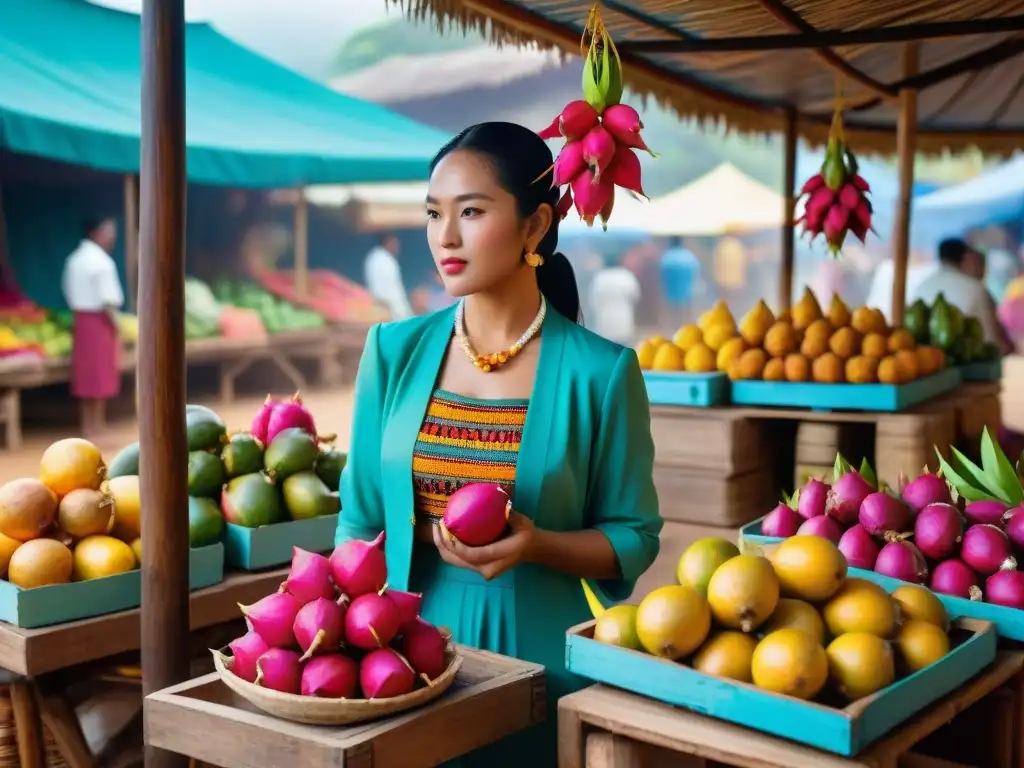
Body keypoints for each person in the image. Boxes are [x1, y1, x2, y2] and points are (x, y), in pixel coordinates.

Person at [335, 122, 662, 766]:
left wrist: (536, 543)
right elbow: (359, 520)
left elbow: (634, 537)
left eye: (471, 212)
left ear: (535, 225)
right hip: (400, 663)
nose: (444, 237)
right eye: (433, 213)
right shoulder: (392, 352)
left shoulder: (602, 372)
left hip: (542, 667)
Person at [61, 217, 125, 440]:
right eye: (109, 230)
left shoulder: (74, 260)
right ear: (95, 232)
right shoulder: (102, 262)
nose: (113, 236)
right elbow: (108, 302)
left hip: (81, 321)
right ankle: (97, 427)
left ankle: (88, 426)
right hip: (99, 322)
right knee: (99, 375)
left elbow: (68, 292)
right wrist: (118, 328)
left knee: (86, 375)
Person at [911, 239, 1014, 355]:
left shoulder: (920, 288)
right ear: (967, 258)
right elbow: (993, 342)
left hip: (928, 362)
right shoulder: (975, 288)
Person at [588, 255, 642, 345]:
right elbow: (636, 297)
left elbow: (593, 303)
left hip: (604, 324)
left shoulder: (599, 278)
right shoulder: (626, 276)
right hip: (623, 321)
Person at [363, 233, 414, 320]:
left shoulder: (385, 259)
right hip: (386, 307)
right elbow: (379, 286)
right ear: (388, 243)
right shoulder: (379, 260)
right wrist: (385, 304)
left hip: (394, 308)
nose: (397, 247)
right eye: (394, 244)